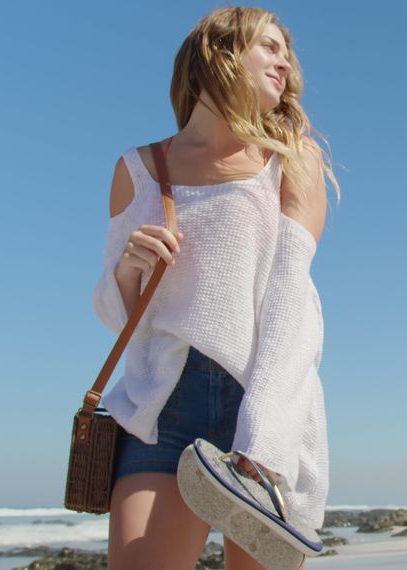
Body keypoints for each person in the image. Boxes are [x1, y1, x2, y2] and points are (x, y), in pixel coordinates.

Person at [92, 7, 336, 569]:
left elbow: (289, 302)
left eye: (287, 53)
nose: (286, 62)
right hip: (163, 404)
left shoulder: (291, 160)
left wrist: (265, 440)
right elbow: (122, 317)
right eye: (269, 46)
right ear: (217, 54)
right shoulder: (139, 168)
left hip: (260, 398)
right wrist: (129, 269)